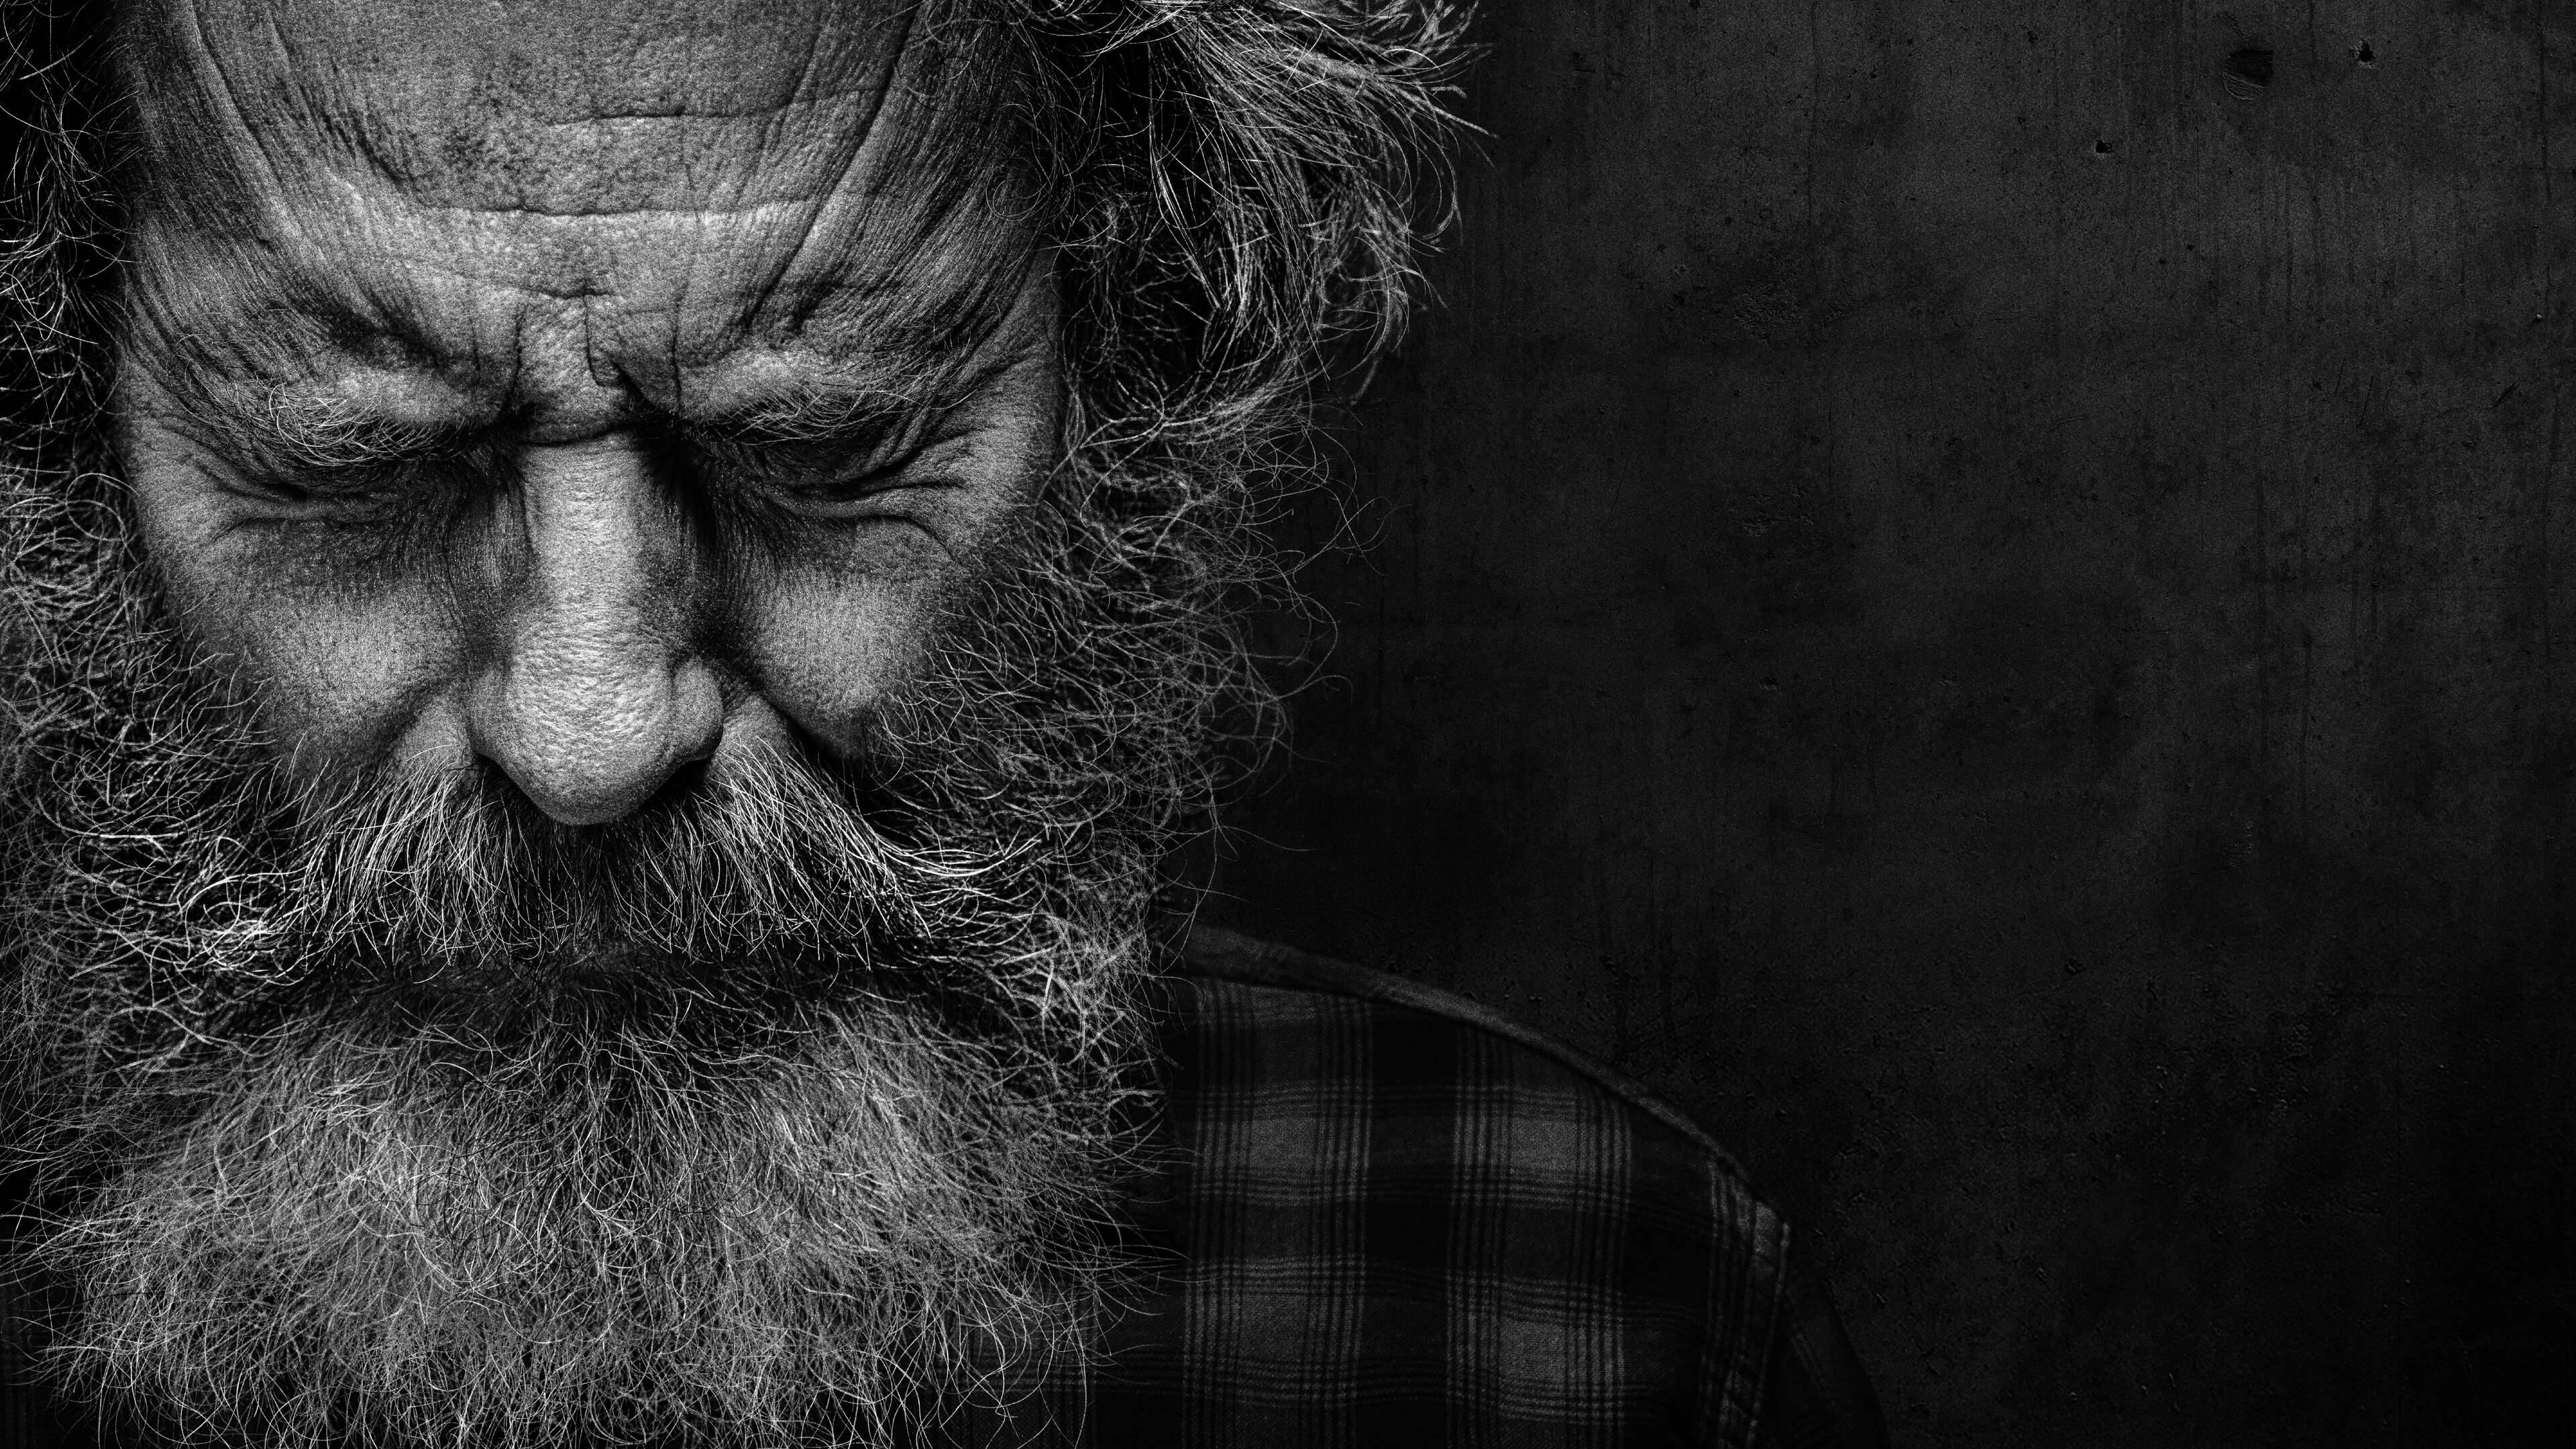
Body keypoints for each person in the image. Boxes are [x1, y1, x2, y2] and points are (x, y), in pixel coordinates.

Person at [0, 1, 1888, 1444]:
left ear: (1131, 392)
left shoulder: (1571, 1308)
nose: (587, 735)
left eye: (819, 451)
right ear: (67, 428)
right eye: (350, 463)